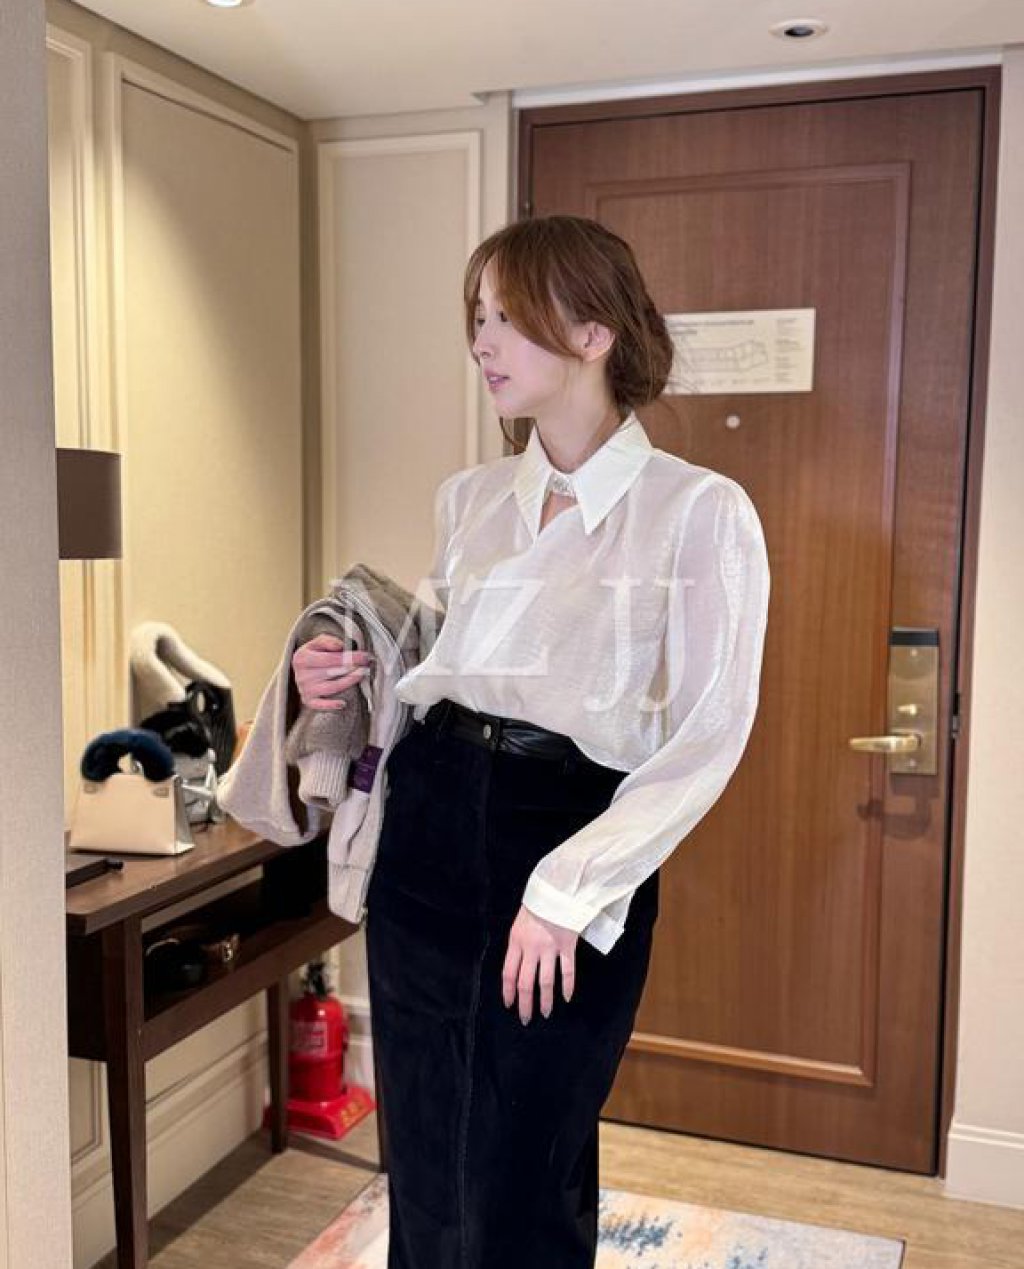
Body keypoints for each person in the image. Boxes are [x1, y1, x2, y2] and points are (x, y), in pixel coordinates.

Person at [291, 215, 771, 1269]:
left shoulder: (698, 511)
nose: (481, 341)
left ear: (595, 332)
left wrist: (569, 888)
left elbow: (707, 732)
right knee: (424, 1146)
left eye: (508, 316)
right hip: (430, 817)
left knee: (527, 1153)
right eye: (477, 316)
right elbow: (441, 664)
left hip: (565, 830)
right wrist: (338, 673)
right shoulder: (469, 501)